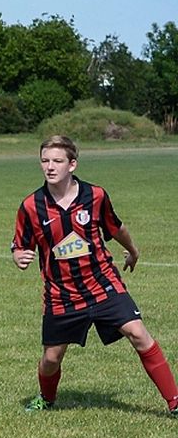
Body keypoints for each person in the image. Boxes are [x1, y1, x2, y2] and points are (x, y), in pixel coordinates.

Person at [12, 135, 178, 416]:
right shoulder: (31, 206)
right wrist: (18, 255)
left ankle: (175, 402)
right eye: (45, 160)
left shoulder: (95, 196)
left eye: (57, 161)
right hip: (61, 293)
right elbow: (19, 244)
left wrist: (133, 251)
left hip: (102, 283)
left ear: (72, 164)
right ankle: (46, 398)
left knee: (138, 333)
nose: (50, 167)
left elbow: (116, 228)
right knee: (52, 358)